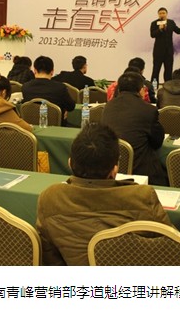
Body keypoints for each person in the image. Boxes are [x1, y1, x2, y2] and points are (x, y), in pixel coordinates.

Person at [35, 122, 172, 265]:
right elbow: (174, 250)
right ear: (114, 170)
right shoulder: (143, 196)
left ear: (70, 163)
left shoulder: (50, 198)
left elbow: (48, 258)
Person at [102, 71, 167, 186]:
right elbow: (157, 142)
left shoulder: (108, 106)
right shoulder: (148, 110)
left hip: (111, 167)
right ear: (141, 90)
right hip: (141, 171)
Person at [21, 55, 76, 126]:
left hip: (30, 126)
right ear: (52, 72)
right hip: (56, 128)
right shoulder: (60, 87)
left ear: (35, 70)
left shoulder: (25, 87)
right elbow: (71, 107)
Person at [150, 6, 180, 83]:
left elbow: (177, 31)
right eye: (160, 13)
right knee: (155, 71)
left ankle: (168, 86)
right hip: (158, 51)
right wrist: (159, 29)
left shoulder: (171, 22)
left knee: (168, 71)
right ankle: (154, 87)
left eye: (163, 13)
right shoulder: (154, 23)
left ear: (166, 14)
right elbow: (152, 35)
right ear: (158, 14)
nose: (162, 15)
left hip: (169, 51)